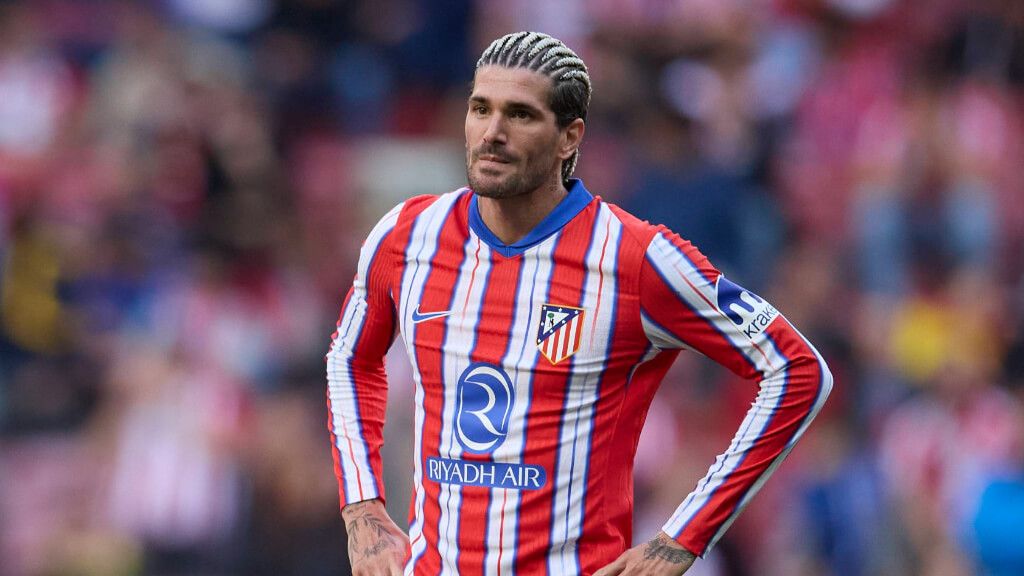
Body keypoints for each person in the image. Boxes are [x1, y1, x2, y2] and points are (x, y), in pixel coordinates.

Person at [326, 31, 832, 576]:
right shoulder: (406, 236)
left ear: (570, 137)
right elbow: (349, 358)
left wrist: (682, 539)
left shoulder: (636, 258)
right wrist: (362, 508)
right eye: (480, 108)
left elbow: (797, 370)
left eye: (520, 115)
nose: (491, 133)